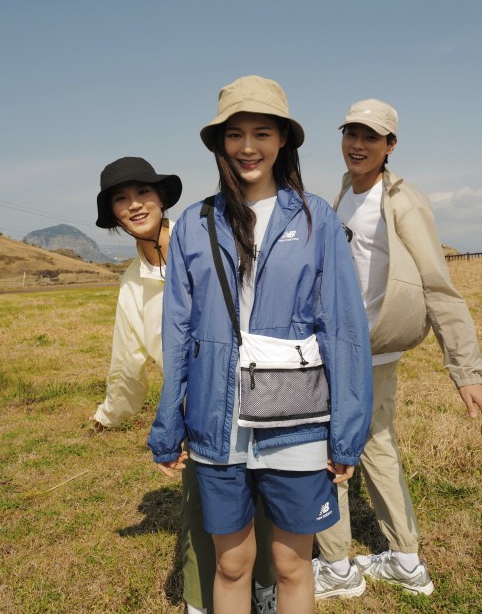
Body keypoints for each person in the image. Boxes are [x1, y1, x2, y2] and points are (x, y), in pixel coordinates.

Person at [148, 75, 373, 614]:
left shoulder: (316, 217)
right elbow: (176, 333)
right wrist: (168, 425)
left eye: (262, 133)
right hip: (215, 420)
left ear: (283, 140)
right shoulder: (195, 223)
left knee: (293, 566)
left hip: (297, 421)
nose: (247, 147)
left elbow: (343, 329)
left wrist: (346, 434)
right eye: (235, 134)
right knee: (231, 565)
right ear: (219, 143)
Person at [313, 98, 482, 599]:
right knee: (375, 444)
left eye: (371, 137)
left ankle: (337, 568)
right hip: (347, 344)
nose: (358, 145)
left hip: (367, 349)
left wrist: (465, 369)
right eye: (351, 133)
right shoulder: (345, 191)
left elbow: (438, 285)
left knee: (330, 447)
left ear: (391, 145)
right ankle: (406, 560)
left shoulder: (403, 201)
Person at [91, 156, 218, 614]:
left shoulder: (204, 241)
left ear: (161, 198)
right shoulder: (132, 285)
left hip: (246, 383)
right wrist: (111, 413)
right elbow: (126, 361)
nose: (134, 204)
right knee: (199, 503)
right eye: (121, 199)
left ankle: (267, 588)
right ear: (114, 215)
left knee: (261, 495)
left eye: (142, 192)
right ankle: (201, 599)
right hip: (191, 404)